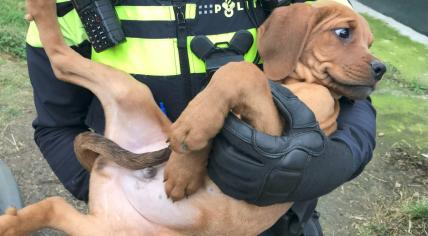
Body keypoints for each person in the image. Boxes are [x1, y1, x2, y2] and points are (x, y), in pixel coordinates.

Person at [26, 0, 376, 235]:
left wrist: (338, 160)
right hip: (152, 198)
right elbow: (56, 127)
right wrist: (131, 201)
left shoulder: (313, 26)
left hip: (279, 224)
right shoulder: (69, 7)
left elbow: (353, 87)